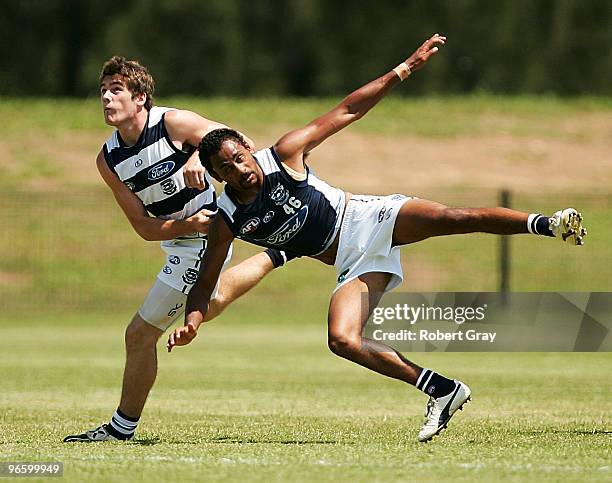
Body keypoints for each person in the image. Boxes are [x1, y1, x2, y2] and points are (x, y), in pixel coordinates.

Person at [166, 34, 587, 442]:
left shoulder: (283, 154)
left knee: (452, 216)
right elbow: (206, 280)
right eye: (226, 168)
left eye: (239, 157)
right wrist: (192, 322)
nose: (239, 169)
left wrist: (403, 69)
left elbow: (347, 109)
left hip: (369, 218)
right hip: (353, 262)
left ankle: (548, 223)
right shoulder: (229, 218)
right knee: (341, 340)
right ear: (216, 175)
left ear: (245, 146)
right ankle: (442, 389)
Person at [64, 56, 293, 442]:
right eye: (103, 90)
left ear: (140, 98)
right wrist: (186, 224)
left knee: (139, 335)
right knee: (209, 302)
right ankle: (275, 255)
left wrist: (194, 155)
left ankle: (120, 430)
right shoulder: (108, 161)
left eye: (116, 90)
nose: (106, 97)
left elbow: (237, 138)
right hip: (180, 239)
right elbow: (142, 227)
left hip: (202, 244)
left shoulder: (171, 123)